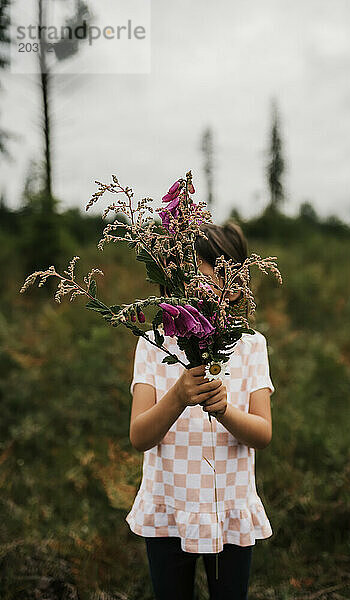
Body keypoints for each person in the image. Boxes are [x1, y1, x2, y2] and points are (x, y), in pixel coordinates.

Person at [126, 222, 276, 600]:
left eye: (212, 279)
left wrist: (224, 409)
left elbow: (263, 433)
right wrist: (178, 395)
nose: (201, 291)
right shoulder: (154, 346)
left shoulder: (251, 346)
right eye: (190, 279)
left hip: (230, 508)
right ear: (171, 281)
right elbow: (139, 436)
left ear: (235, 283)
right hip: (169, 507)